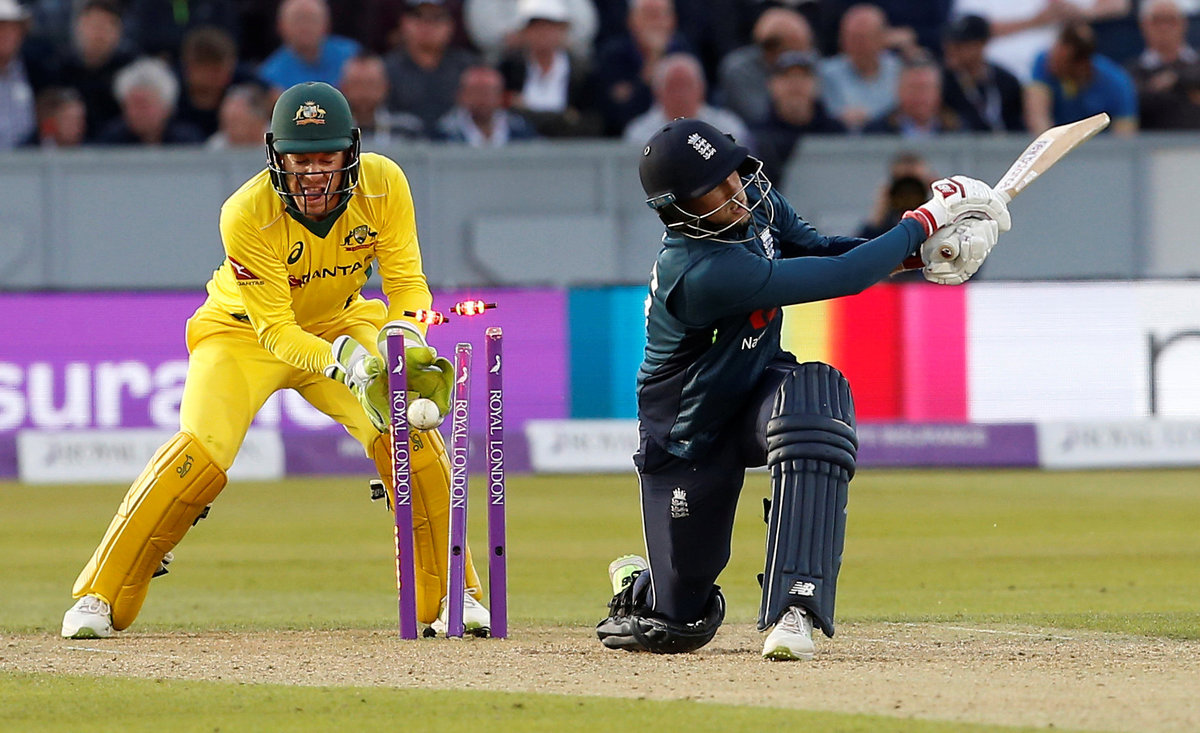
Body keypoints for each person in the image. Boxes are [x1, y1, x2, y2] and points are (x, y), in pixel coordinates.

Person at [62, 81, 491, 640]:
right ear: (276, 157)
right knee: (201, 452)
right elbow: (278, 331)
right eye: (299, 161)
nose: (313, 175)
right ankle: (99, 594)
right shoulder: (246, 212)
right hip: (241, 334)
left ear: (351, 152)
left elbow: (408, 285)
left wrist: (404, 341)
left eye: (326, 159)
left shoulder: (384, 183)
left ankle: (455, 593)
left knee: (407, 432)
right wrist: (348, 364)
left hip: (341, 318)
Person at [596, 118, 1010, 660]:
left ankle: (796, 606)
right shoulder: (699, 270)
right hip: (688, 435)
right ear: (678, 210)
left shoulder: (757, 205)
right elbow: (843, 278)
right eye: (711, 191)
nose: (733, 192)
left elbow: (827, 252)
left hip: (756, 388)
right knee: (681, 623)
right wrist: (925, 220)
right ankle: (643, 585)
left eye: (732, 175)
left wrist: (922, 255)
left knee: (814, 399)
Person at [497, 0, 600, 138]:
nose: (543, 33)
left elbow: (592, 121)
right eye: (536, 27)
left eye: (550, 27)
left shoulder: (582, 73)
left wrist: (526, 112)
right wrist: (564, 118)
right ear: (524, 32)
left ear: (563, 31)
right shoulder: (508, 69)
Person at [1025, 21, 1138, 135]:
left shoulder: (1117, 83)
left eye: (1062, 63)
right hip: (1058, 142)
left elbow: (1124, 132)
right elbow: (1037, 117)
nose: (1052, 66)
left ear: (1082, 65)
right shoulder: (1044, 62)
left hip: (1099, 144)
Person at [384, 0, 479, 134]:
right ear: (404, 22)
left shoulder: (469, 69)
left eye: (436, 18)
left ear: (450, 25)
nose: (427, 25)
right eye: (418, 16)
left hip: (457, 144)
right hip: (399, 142)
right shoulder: (385, 70)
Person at [750, 50, 845, 182]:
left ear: (817, 85)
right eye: (786, 76)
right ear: (771, 85)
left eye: (803, 76)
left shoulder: (836, 133)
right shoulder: (758, 137)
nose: (795, 83)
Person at [622, 53, 750, 147]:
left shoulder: (727, 127)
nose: (681, 94)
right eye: (673, 87)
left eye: (687, 86)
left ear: (701, 89)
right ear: (657, 92)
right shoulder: (639, 133)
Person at [716, 7, 815, 128]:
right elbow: (757, 115)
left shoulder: (809, 62)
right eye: (797, 47)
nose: (805, 54)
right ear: (773, 47)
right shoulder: (739, 69)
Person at [57, 0, 137, 142]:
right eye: (94, 26)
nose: (99, 34)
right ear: (79, 27)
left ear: (119, 31)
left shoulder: (131, 69)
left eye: (107, 26)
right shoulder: (60, 68)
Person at [818, 3, 903, 131]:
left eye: (863, 39)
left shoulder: (900, 71)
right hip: (842, 139)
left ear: (881, 39)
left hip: (891, 139)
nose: (856, 45)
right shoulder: (825, 73)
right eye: (850, 38)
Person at [941, 14, 1025, 132]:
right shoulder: (941, 82)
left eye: (960, 45)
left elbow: (1017, 126)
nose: (952, 49)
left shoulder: (1006, 82)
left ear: (981, 44)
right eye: (949, 43)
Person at [94, 57, 207, 145]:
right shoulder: (110, 141)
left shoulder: (188, 141)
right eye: (133, 105)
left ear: (167, 107)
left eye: (145, 105)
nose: (138, 112)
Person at [1127, 0, 1200, 130]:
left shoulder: (1196, 63)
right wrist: (1187, 89)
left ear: (1184, 23)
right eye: (1157, 21)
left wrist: (1175, 80)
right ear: (1144, 25)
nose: (1164, 28)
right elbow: (1136, 101)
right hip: (1151, 140)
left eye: (1171, 20)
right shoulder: (1131, 71)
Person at [258, 0, 361, 91]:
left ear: (327, 24)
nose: (305, 27)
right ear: (281, 27)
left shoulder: (352, 55)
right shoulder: (269, 76)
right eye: (298, 20)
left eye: (312, 20)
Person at [434, 63, 538, 144]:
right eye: (476, 92)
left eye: (488, 93)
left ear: (501, 96)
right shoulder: (444, 133)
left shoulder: (521, 130)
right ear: (462, 96)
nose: (482, 100)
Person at [863, 56, 964, 136]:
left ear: (938, 92)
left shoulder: (958, 129)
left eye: (925, 88)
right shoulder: (876, 132)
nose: (920, 95)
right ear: (899, 91)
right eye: (913, 88)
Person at [205, 82, 270, 148]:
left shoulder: (274, 140)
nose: (229, 131)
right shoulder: (217, 146)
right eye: (225, 124)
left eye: (235, 123)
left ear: (258, 120)